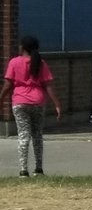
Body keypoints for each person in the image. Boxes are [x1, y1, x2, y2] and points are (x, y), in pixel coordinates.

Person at [1, 35, 63, 177]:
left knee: (23, 135)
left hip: (20, 102)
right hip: (37, 102)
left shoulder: (14, 62)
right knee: (37, 135)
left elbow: (8, 85)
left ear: (22, 47)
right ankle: (39, 168)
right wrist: (57, 104)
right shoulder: (41, 63)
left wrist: (1, 99)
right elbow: (48, 86)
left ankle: (23, 170)